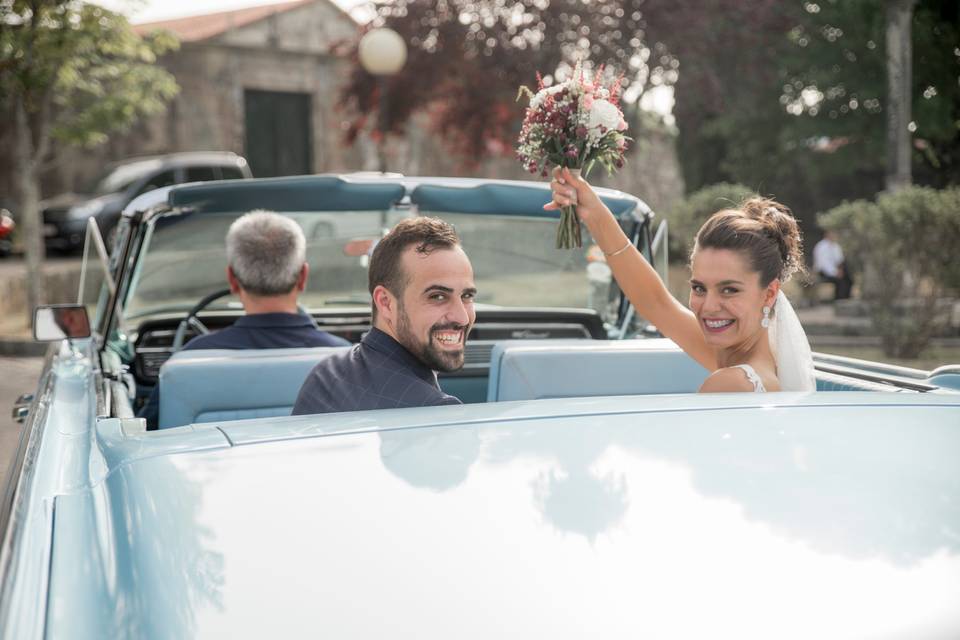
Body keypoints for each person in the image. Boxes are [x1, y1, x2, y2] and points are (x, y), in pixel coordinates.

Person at [547, 168, 815, 393]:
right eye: (699, 287)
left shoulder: (734, 383)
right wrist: (592, 211)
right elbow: (657, 303)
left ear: (769, 294)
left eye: (729, 290)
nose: (709, 306)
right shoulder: (762, 358)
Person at [139, 210, 348, 428]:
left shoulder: (190, 361)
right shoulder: (345, 363)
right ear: (303, 276)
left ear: (232, 279)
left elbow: (143, 435)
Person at [293, 217, 476, 414]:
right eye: (437, 296)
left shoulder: (326, 374)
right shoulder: (435, 412)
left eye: (466, 296)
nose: (462, 318)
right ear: (386, 303)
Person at [812, 229, 852, 301]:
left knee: (849, 279)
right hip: (823, 272)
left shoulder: (836, 246)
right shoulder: (821, 247)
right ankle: (839, 300)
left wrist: (840, 270)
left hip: (836, 270)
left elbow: (840, 260)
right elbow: (824, 264)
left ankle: (846, 299)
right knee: (840, 281)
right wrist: (835, 272)